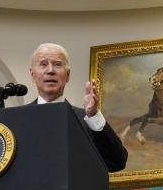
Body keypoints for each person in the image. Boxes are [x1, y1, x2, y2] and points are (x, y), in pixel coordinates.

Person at [28, 42, 127, 172]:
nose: (50, 70)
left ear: (67, 75)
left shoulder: (86, 119)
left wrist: (94, 115)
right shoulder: (18, 119)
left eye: (57, 64)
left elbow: (117, 162)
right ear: (32, 75)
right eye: (43, 64)